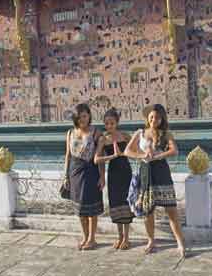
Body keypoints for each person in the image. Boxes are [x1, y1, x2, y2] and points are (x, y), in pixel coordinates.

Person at [125, 104, 186, 258]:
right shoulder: (140, 133)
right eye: (151, 117)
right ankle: (151, 240)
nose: (154, 119)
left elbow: (174, 150)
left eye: (157, 117)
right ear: (147, 118)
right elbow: (127, 151)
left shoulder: (165, 133)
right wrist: (143, 156)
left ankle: (180, 243)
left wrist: (157, 156)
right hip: (146, 172)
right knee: (148, 211)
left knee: (171, 209)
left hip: (161, 172)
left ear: (161, 119)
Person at [63, 103, 104, 250]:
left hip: (91, 172)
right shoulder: (70, 133)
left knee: (92, 209)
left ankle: (92, 239)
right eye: (79, 117)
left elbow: (101, 155)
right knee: (80, 209)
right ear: (75, 118)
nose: (83, 120)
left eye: (85, 116)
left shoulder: (96, 132)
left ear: (89, 116)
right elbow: (67, 156)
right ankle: (85, 237)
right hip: (75, 172)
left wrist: (102, 176)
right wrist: (65, 176)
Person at [94, 108, 134, 250]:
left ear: (117, 122)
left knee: (126, 203)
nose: (109, 126)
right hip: (113, 173)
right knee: (116, 203)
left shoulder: (125, 136)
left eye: (112, 123)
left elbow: (136, 150)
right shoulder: (103, 139)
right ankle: (120, 237)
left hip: (126, 172)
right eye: (106, 123)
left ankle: (127, 238)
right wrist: (112, 157)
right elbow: (97, 159)